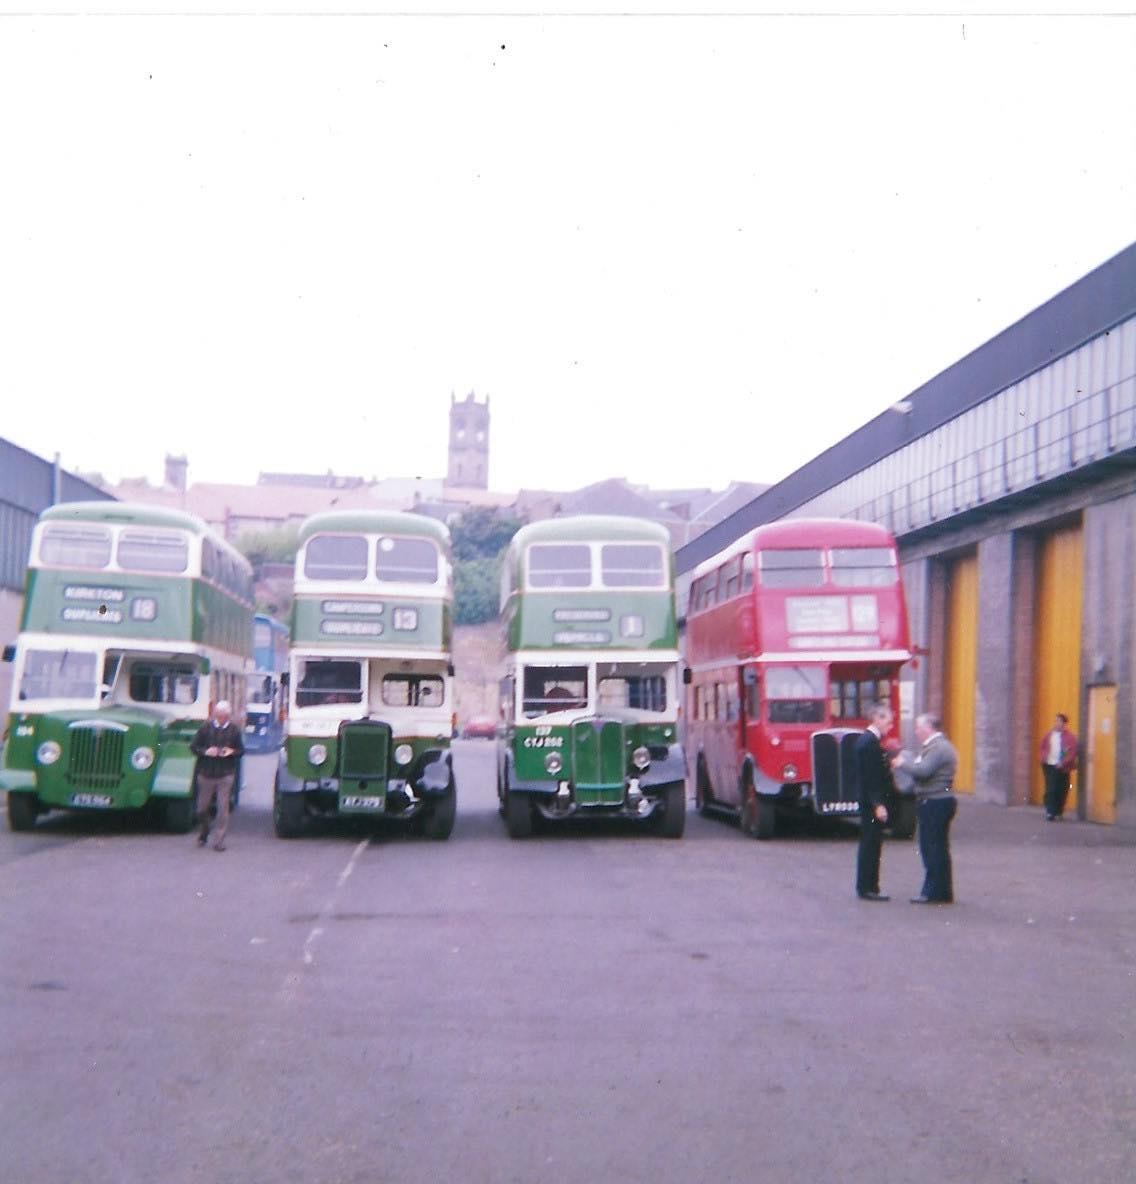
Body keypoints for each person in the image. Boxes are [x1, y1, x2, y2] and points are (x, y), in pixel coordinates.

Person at [893, 714, 958, 904]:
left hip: (934, 801)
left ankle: (931, 892)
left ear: (929, 727)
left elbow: (923, 771)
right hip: (939, 801)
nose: (916, 731)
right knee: (939, 847)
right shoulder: (937, 747)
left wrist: (902, 764)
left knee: (931, 847)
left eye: (919, 727)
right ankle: (943, 892)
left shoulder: (937, 748)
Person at [853, 703, 895, 901]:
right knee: (871, 844)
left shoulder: (867, 741)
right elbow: (871, 778)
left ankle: (868, 885)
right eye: (887, 721)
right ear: (877, 719)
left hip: (870, 802)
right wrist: (878, 804)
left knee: (870, 843)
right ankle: (868, 887)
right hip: (872, 804)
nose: (890, 725)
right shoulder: (870, 743)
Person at [190, 699, 244, 851]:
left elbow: (241, 750)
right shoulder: (205, 729)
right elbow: (194, 747)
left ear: (228, 716)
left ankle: (219, 840)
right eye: (218, 716)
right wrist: (206, 751)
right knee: (201, 808)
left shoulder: (234, 730)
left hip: (225, 774)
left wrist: (231, 751)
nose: (220, 719)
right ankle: (204, 831)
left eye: (223, 716)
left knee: (222, 808)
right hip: (206, 773)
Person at [1039, 713, 1078, 821]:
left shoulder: (1070, 737)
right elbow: (1042, 747)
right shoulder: (1049, 735)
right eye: (1055, 721)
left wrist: (1064, 762)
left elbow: (1072, 752)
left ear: (1064, 724)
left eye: (1059, 721)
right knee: (1051, 788)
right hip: (1050, 765)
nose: (1056, 723)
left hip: (1063, 767)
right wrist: (1043, 758)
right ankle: (1050, 812)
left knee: (1062, 789)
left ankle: (1059, 811)